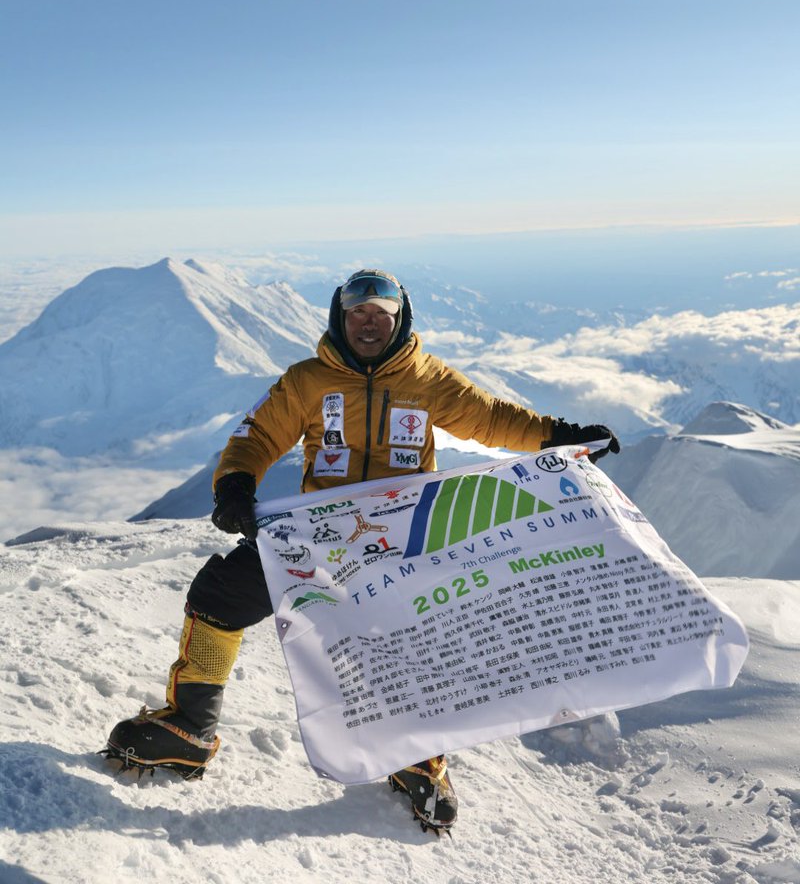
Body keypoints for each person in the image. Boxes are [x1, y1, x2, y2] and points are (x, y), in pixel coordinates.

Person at [104, 268, 619, 833]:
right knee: (219, 597)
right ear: (340, 318)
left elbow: (492, 419)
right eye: (358, 314)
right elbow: (258, 437)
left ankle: (418, 759)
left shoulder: (429, 380)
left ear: (400, 321)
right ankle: (190, 729)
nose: (369, 324)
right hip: (320, 533)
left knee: (408, 635)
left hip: (404, 538)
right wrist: (234, 484)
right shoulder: (306, 381)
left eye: (381, 315)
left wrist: (561, 436)